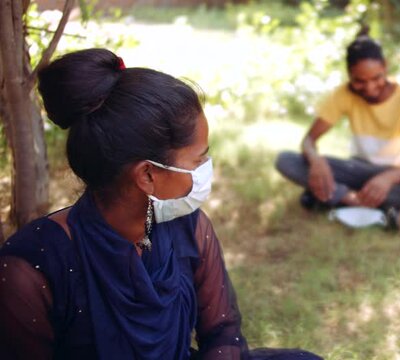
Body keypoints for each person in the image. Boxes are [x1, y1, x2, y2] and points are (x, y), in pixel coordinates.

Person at [0, 49, 321, 360]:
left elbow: (222, 332)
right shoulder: (30, 270)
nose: (207, 167)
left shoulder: (191, 228)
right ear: (148, 176)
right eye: (198, 158)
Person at [275, 29, 400, 227]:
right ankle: (357, 201)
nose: (369, 88)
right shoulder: (343, 94)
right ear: (349, 75)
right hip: (355, 169)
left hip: (394, 173)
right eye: (359, 81)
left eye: (376, 78)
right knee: (285, 160)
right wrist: (316, 160)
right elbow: (308, 141)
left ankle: (331, 198)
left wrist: (387, 179)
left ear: (385, 66)